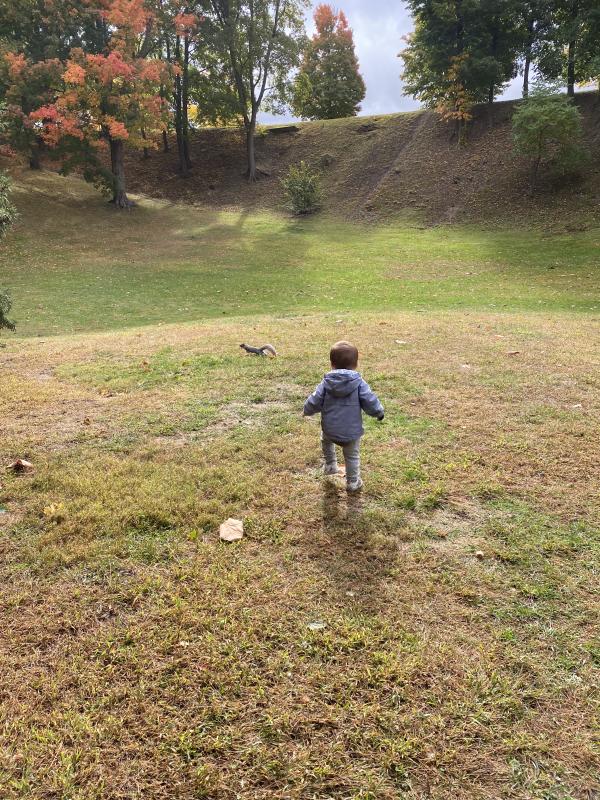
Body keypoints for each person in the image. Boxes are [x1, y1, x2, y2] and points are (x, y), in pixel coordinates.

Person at [303, 340, 384, 493]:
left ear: (331, 363)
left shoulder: (325, 383)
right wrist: (378, 412)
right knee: (352, 456)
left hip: (330, 430)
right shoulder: (359, 383)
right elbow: (370, 400)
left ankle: (330, 465)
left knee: (325, 441)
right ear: (356, 364)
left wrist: (306, 410)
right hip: (351, 433)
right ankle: (353, 482)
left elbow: (314, 400)